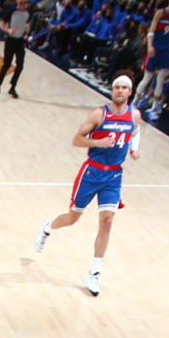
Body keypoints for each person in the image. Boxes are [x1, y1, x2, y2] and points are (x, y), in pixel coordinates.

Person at [34, 73, 140, 297]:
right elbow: (76, 139)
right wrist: (97, 142)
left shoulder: (135, 115)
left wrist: (134, 148)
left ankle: (94, 272)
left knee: (107, 220)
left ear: (130, 92)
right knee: (73, 218)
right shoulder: (99, 114)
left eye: (124, 88)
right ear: (112, 91)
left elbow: (136, 131)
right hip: (91, 172)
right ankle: (47, 228)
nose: (119, 90)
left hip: (113, 177)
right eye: (116, 87)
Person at [138, 0, 169, 118]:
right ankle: (136, 100)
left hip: (166, 52)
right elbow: (151, 30)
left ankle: (155, 108)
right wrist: (149, 46)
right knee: (146, 78)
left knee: (160, 80)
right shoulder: (160, 13)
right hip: (155, 49)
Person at [0, 0, 29, 97]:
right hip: (10, 40)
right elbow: (1, 25)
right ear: (17, 0)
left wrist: (27, 29)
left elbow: (27, 24)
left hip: (20, 41)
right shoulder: (11, 11)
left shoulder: (27, 13)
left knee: (20, 65)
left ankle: (13, 87)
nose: (22, 0)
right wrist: (8, 30)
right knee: (7, 64)